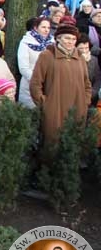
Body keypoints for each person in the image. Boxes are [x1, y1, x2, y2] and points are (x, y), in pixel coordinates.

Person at [30, 23, 92, 164]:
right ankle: (48, 174)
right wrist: (45, 104)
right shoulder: (47, 56)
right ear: (58, 38)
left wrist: (85, 101)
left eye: (73, 39)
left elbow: (87, 84)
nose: (70, 42)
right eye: (67, 38)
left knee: (73, 143)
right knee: (52, 145)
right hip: (54, 110)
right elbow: (35, 83)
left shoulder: (80, 58)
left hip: (77, 108)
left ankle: (69, 173)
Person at [18, 16, 53, 108]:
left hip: (49, 85)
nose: (46, 30)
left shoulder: (52, 43)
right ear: (36, 28)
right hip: (30, 84)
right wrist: (37, 81)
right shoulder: (26, 42)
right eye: (43, 27)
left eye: (48, 27)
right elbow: (23, 67)